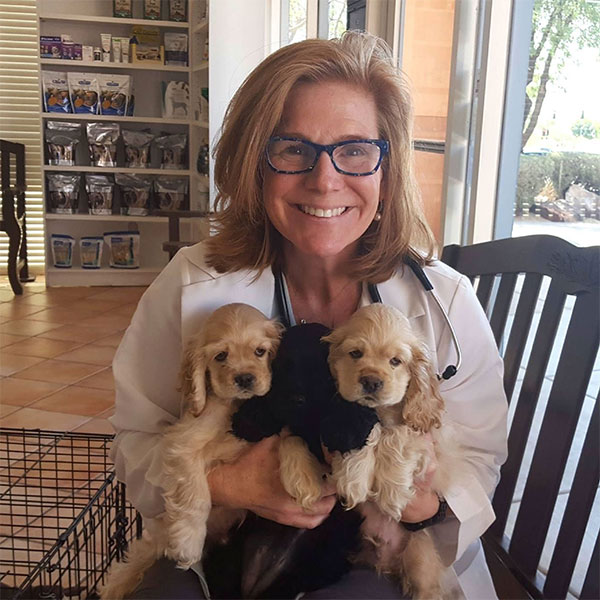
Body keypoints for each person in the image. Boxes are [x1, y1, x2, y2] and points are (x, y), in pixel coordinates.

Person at [110, 31, 507, 599]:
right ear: (254, 163)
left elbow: (480, 462)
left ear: (386, 169)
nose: (325, 180)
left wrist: (417, 496)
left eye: (354, 150)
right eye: (293, 148)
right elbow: (135, 439)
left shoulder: (445, 301)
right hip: (224, 539)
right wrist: (229, 483)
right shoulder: (191, 281)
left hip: (375, 551)